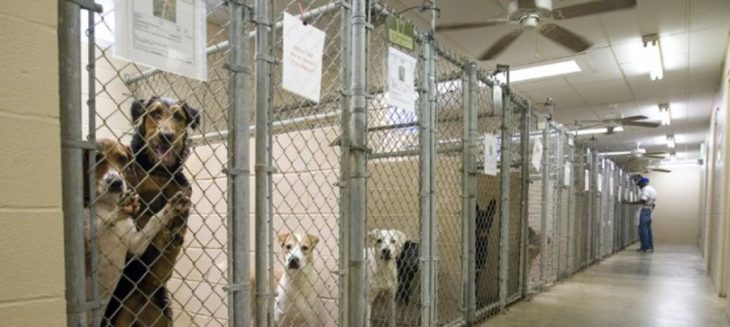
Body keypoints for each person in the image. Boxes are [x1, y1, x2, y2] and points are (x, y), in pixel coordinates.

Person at [625, 177, 657, 253]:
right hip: (649, 210)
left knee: (643, 230)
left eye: (640, 185)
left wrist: (630, 203)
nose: (639, 187)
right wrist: (650, 211)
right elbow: (654, 204)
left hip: (644, 210)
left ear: (644, 183)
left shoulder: (645, 189)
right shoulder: (653, 189)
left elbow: (643, 200)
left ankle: (645, 247)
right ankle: (649, 247)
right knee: (648, 230)